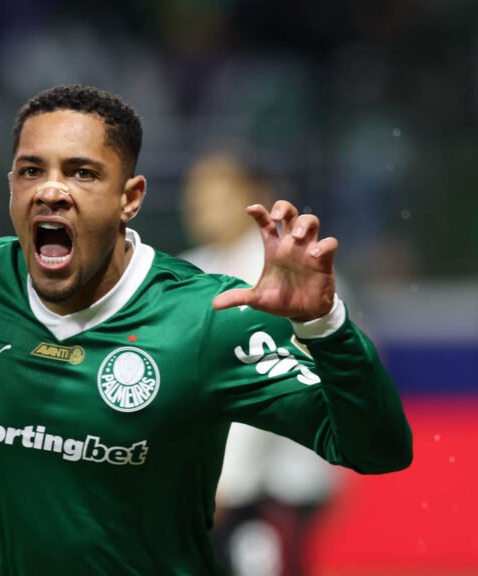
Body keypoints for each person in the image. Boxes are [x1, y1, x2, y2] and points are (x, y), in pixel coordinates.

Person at [0, 84, 414, 575]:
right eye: (32, 170)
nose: (51, 191)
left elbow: (378, 450)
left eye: (81, 173)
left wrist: (324, 324)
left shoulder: (207, 317)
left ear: (130, 197)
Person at [179, 151, 339, 576]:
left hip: (279, 478)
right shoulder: (190, 269)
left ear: (253, 198)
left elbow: (272, 379)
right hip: (213, 472)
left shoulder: (288, 270)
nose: (201, 206)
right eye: (195, 196)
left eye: (216, 194)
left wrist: (228, 482)